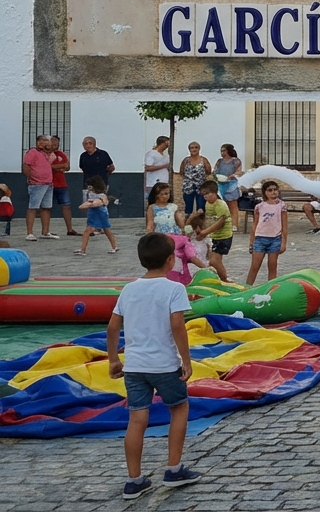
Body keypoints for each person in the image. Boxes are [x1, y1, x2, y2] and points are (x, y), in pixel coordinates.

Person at [105, 233, 203, 499]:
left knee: (137, 419)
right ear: (171, 260)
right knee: (179, 409)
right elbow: (177, 326)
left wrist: (114, 358)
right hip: (164, 364)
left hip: (135, 366)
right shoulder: (174, 289)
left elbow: (113, 326)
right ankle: (174, 469)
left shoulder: (129, 289)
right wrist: (186, 360)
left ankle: (134, 480)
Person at [248, 180, 288, 285]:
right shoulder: (259, 207)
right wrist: (252, 241)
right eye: (270, 190)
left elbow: (284, 226)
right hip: (260, 238)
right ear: (265, 192)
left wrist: (283, 243)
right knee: (254, 266)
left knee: (272, 266)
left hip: (275, 239)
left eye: (275, 190)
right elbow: (255, 224)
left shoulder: (282, 206)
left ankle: (271, 289)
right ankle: (246, 288)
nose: (273, 192)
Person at [23, 135, 57, 241]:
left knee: (46, 208)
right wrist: (30, 178)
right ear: (39, 142)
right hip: (37, 184)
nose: (49, 143)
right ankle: (29, 233)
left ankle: (45, 232)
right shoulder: (32, 152)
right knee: (33, 207)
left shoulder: (47, 154)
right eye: (46, 140)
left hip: (48, 183)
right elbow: (26, 166)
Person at [198, 181, 233, 282]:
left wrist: (205, 232)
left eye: (208, 193)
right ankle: (218, 279)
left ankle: (225, 279)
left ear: (215, 192)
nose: (206, 196)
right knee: (212, 259)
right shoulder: (208, 204)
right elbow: (209, 219)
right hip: (215, 236)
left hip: (223, 236)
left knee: (214, 261)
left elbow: (220, 222)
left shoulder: (220, 204)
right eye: (204, 194)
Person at [76, 176, 119, 255]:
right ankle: (83, 249)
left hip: (100, 213)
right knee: (89, 230)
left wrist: (95, 203)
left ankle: (83, 250)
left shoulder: (102, 195)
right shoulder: (89, 193)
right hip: (92, 213)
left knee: (105, 230)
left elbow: (104, 203)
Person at [48, 136, 79, 236]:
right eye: (53, 144)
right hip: (48, 183)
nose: (55, 146)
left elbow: (67, 167)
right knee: (46, 207)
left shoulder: (61, 154)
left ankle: (70, 229)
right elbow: (47, 167)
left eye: (57, 144)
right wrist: (60, 167)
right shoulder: (44, 155)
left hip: (61, 183)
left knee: (66, 205)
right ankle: (46, 230)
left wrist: (55, 168)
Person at [213, 144, 243, 233]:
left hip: (231, 185)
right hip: (221, 185)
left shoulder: (236, 161)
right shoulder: (220, 161)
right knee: (221, 206)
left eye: (224, 151)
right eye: (221, 151)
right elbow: (215, 170)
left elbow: (239, 171)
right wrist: (214, 174)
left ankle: (234, 225)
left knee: (233, 206)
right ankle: (222, 224)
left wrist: (233, 175)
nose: (222, 153)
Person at [178, 142, 212, 216]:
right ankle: (188, 224)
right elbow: (181, 172)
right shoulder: (186, 160)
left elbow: (208, 171)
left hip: (201, 187)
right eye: (192, 148)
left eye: (196, 147)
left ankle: (199, 225)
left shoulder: (204, 160)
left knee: (201, 207)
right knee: (188, 207)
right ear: (189, 149)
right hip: (188, 187)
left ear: (199, 149)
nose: (194, 149)